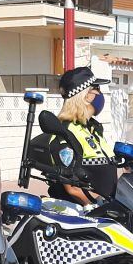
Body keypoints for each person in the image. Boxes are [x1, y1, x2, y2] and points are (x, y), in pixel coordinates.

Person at [47, 66, 117, 205]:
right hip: (86, 214)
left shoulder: (93, 128)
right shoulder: (65, 133)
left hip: (109, 210)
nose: (99, 94)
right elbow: (72, 188)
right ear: (86, 96)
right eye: (96, 88)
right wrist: (97, 205)